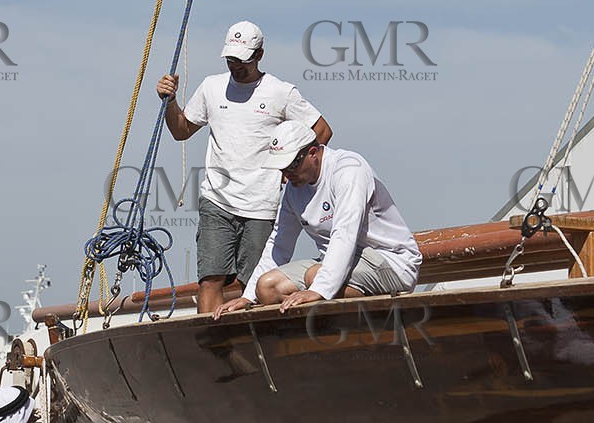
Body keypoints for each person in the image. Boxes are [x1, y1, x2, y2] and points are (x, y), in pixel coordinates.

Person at [156, 20, 333, 313]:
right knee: (210, 280)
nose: (235, 66)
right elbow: (181, 130)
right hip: (217, 200)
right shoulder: (211, 87)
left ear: (259, 55)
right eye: (230, 59)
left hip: (262, 205)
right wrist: (170, 101)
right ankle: (209, 338)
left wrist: (293, 169)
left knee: (255, 283)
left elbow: (322, 130)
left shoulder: (280, 92)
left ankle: (250, 337)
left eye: (242, 60)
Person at [213, 122, 421, 316]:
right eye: (281, 168)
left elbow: (345, 234)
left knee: (315, 277)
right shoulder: (294, 190)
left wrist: (319, 289)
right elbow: (279, 243)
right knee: (266, 287)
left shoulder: (348, 169)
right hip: (335, 264)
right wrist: (248, 297)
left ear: (313, 153)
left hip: (391, 262)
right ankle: (313, 331)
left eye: (291, 165)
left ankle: (367, 325)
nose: (287, 174)